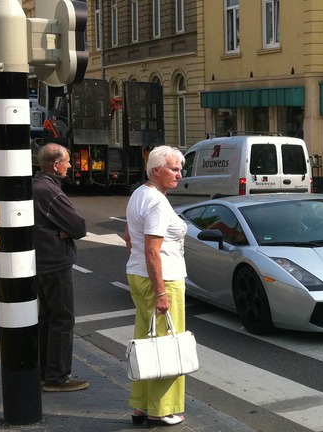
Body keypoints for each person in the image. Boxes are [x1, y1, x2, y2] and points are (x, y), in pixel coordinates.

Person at [124, 146, 188, 427]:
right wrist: (161, 291)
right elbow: (153, 249)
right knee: (166, 345)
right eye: (174, 168)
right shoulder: (157, 202)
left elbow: (129, 236)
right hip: (163, 280)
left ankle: (140, 405)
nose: (179, 174)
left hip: (139, 275)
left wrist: (139, 264)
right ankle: (161, 409)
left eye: (180, 169)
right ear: (155, 169)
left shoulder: (140, 194)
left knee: (146, 341)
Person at [32, 143, 88, 392]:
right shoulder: (50, 191)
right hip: (55, 262)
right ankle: (57, 377)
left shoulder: (36, 185)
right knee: (63, 319)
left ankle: (44, 371)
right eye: (66, 161)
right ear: (56, 165)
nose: (69, 165)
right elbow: (79, 227)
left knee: (46, 318)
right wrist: (65, 231)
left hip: (40, 262)